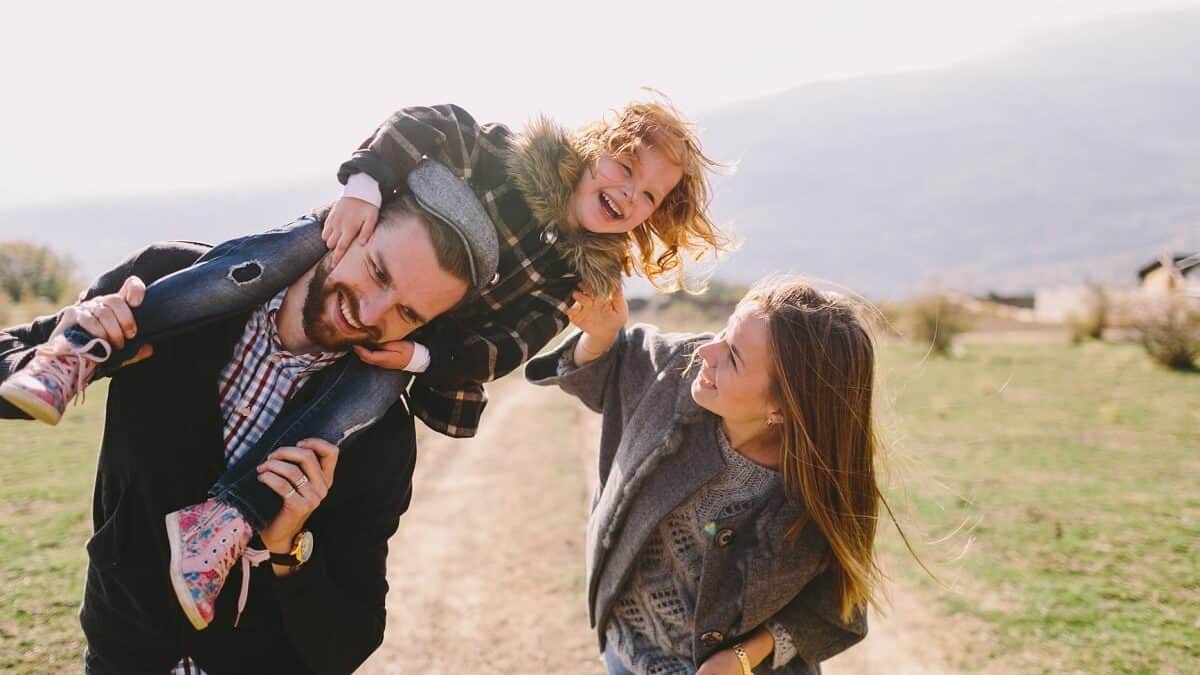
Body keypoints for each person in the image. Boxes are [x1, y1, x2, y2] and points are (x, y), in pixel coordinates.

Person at [0, 98, 731, 628]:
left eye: (648, 195)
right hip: (343, 229)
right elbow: (418, 125)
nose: (627, 193)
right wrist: (367, 187)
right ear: (595, 145)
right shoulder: (506, 153)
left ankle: (228, 516)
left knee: (361, 401)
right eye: (625, 167)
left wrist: (418, 348)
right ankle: (80, 352)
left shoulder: (571, 276)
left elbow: (505, 348)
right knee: (264, 261)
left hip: (412, 344)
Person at [0, 167, 496, 674]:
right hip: (121, 655)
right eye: (378, 271)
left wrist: (289, 551)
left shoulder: (380, 432)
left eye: (407, 313)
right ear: (347, 225)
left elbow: (349, 644)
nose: (370, 312)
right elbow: (10, 356)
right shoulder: (175, 281)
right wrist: (69, 338)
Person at [526, 277, 887, 674]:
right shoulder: (676, 366)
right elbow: (606, 373)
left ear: (782, 410)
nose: (706, 352)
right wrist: (599, 336)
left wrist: (741, 657)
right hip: (625, 650)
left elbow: (837, 606)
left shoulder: (820, 487)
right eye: (724, 332)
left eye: (733, 356)